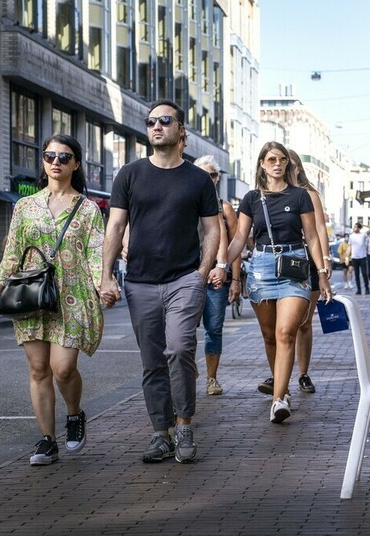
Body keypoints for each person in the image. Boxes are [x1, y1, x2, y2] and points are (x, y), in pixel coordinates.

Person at [99, 100, 221, 464]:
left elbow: (213, 229)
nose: (156, 126)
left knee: (181, 348)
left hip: (185, 278)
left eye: (165, 121)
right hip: (140, 282)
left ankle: (184, 425)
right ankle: (160, 433)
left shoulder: (198, 179)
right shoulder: (130, 175)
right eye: (151, 121)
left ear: (180, 129)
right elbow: (116, 226)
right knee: (152, 361)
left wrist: (202, 273)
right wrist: (106, 274)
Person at [0, 134, 104, 465]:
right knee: (39, 369)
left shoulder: (89, 208)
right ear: (44, 161)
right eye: (50, 156)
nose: (55, 162)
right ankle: (47, 440)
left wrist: (104, 284)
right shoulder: (25, 206)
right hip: (30, 294)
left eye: (64, 157)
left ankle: (74, 413)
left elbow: (96, 253)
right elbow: (12, 251)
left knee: (63, 368)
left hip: (72, 295)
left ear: (76, 164)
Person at [225, 142, 332, 423]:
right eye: (271, 159)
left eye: (282, 159)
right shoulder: (250, 198)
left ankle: (279, 399)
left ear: (287, 163)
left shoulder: (300, 196)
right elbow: (239, 238)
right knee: (270, 335)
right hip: (261, 267)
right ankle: (281, 386)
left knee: (286, 332)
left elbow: (311, 236)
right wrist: (222, 265)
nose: (277, 163)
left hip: (294, 265)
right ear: (262, 163)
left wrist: (321, 272)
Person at [194, 155, 243, 396]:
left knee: (213, 328)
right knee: (184, 328)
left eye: (212, 174)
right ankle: (188, 367)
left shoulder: (224, 208)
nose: (207, 178)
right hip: (189, 274)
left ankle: (211, 378)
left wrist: (234, 279)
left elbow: (236, 244)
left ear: (217, 178)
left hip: (217, 276)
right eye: (203, 174)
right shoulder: (188, 203)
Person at [289, 148, 331, 394]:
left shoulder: (309, 193)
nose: (287, 167)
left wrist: (323, 264)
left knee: (304, 322)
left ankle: (303, 373)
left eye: (291, 162)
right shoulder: (274, 194)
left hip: (309, 262)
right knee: (283, 324)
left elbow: (320, 229)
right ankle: (278, 373)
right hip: (285, 263)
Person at [348, 222, 370, 295]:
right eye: (354, 227)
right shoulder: (351, 236)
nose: (355, 228)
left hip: (362, 257)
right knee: (356, 275)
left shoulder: (363, 235)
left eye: (356, 227)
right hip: (354, 257)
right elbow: (350, 246)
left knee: (364, 274)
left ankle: (367, 289)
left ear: (359, 228)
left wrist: (363, 225)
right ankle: (359, 290)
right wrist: (347, 256)